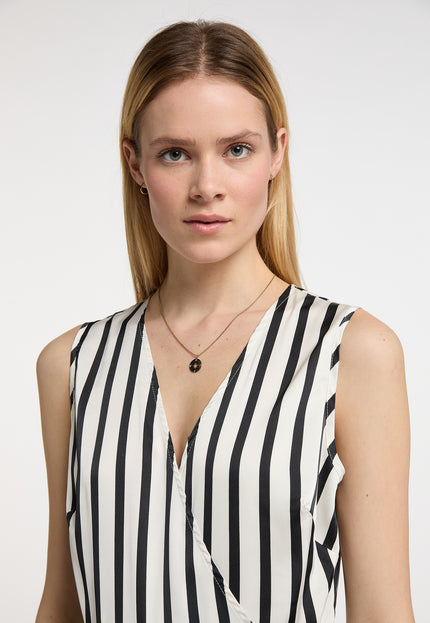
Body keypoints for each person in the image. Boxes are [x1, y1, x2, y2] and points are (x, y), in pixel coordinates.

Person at [35, 20, 414, 623]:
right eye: (175, 153)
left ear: (277, 153)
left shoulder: (351, 353)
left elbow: (383, 614)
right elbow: (62, 605)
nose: (206, 186)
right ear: (135, 163)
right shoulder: (72, 364)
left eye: (237, 149)